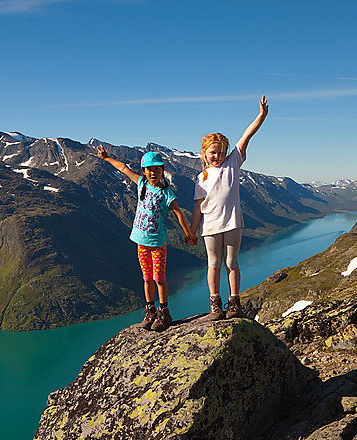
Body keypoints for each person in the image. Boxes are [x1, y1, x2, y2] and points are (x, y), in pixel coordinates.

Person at [97, 147, 197, 331]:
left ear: (162, 170)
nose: (153, 172)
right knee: (147, 278)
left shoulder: (166, 193)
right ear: (144, 171)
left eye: (157, 169)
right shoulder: (141, 183)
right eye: (149, 169)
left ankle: (164, 312)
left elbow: (178, 213)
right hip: (141, 242)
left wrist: (188, 233)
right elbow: (124, 169)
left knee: (159, 278)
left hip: (158, 244)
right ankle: (150, 309)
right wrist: (106, 158)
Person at [189, 96, 269, 320]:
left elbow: (247, 135)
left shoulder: (234, 161)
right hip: (211, 227)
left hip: (233, 223)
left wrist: (261, 116)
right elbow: (198, 208)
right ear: (204, 153)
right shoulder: (200, 178)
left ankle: (234, 302)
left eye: (221, 152)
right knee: (213, 264)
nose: (218, 156)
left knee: (232, 263)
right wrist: (192, 232)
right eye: (213, 152)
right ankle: (215, 302)